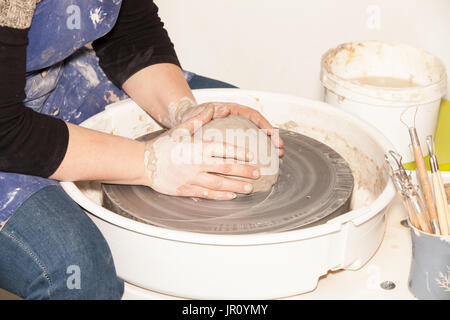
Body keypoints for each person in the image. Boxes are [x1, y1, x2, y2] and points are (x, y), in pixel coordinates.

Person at [0, 0, 283, 299]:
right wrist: (151, 163)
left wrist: (186, 114)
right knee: (81, 272)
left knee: (233, 131)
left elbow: (131, 31)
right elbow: (5, 131)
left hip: (43, 79)